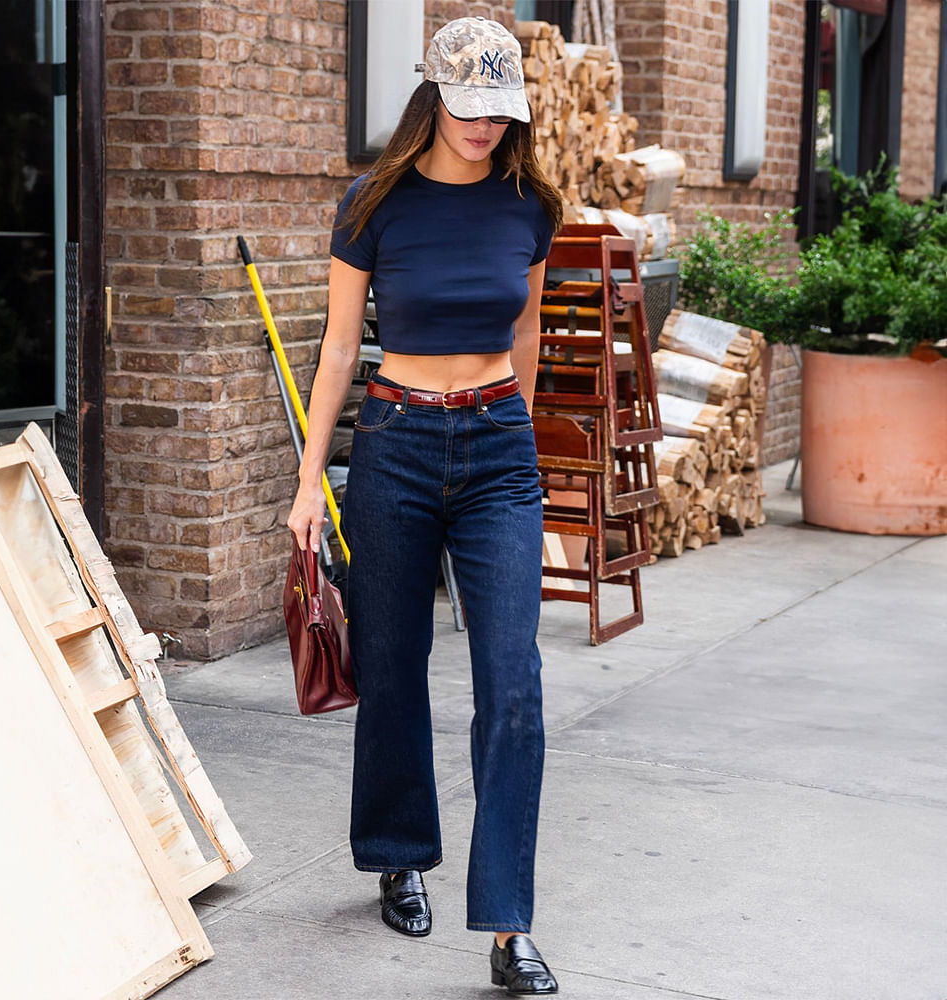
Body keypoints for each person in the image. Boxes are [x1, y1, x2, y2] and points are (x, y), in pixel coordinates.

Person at [287, 16, 564, 996]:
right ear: (433, 96)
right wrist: (307, 486)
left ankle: (509, 925)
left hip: (495, 451)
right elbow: (333, 350)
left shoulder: (531, 205)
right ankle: (398, 851)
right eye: (467, 106)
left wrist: (513, 435)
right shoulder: (372, 205)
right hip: (396, 444)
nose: (483, 126)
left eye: (499, 110)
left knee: (513, 684)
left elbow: (525, 330)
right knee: (393, 665)